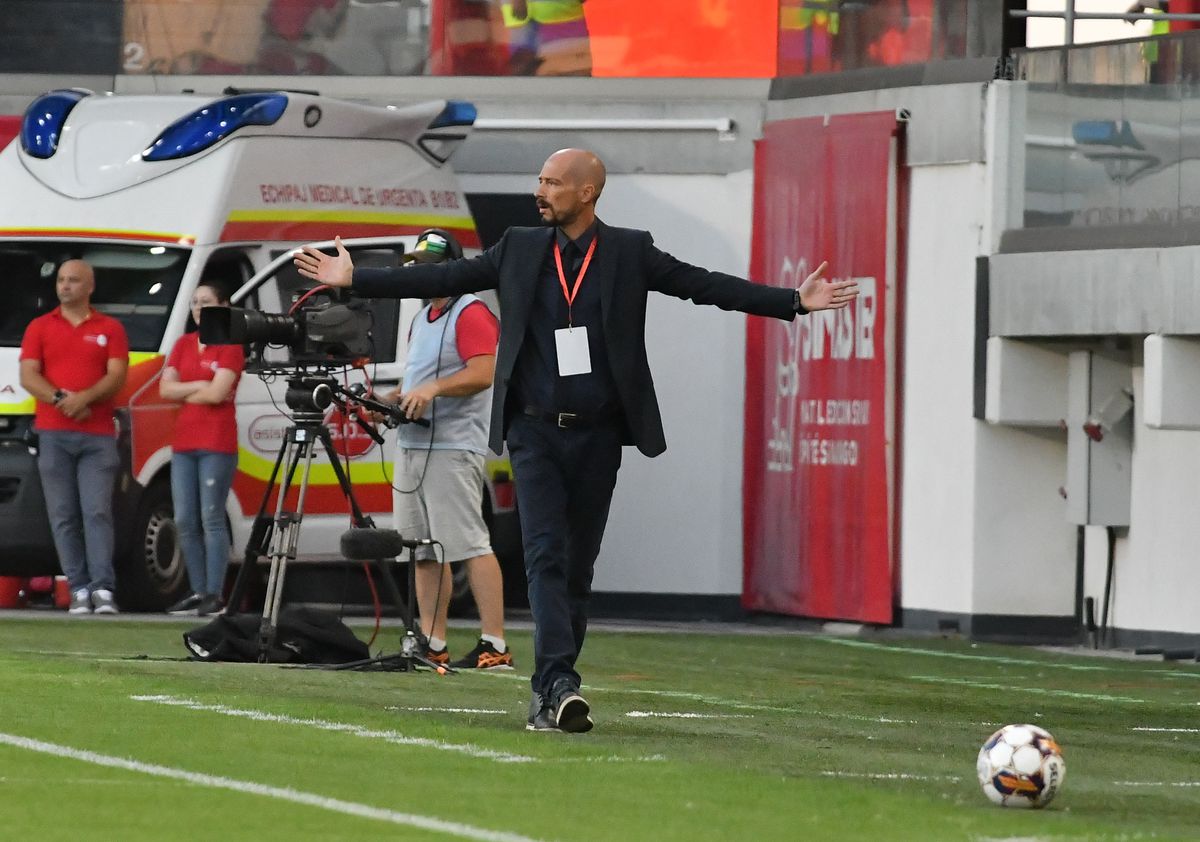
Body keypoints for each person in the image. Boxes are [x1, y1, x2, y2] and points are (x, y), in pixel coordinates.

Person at [295, 148, 858, 733]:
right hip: (533, 431)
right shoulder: (517, 246)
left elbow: (703, 286)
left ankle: (551, 688)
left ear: (588, 192)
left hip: (598, 436)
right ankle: (559, 683)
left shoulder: (628, 251)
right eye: (539, 180)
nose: (541, 191)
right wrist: (355, 276)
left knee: (578, 568)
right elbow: (444, 275)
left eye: (554, 183)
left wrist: (792, 301)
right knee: (544, 556)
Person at [383, 228, 514, 671]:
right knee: (421, 547)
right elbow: (418, 380)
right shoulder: (423, 319)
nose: (420, 277)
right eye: (417, 269)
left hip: (453, 446)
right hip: (416, 443)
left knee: (469, 544)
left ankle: (493, 642)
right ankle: (432, 641)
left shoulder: (471, 312)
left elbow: (483, 373)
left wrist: (433, 389)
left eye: (428, 268)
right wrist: (392, 398)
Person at [19, 259, 129, 615]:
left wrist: (86, 398)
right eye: (62, 280)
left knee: (96, 511)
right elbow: (28, 375)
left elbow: (116, 375)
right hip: (53, 431)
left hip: (96, 435)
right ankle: (78, 587)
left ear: (89, 286)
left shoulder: (110, 328)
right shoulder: (39, 326)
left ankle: (103, 588)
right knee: (63, 514)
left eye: (73, 280)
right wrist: (62, 400)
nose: (65, 286)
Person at [160, 281, 245, 617]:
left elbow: (217, 394)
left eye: (205, 302)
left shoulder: (230, 345)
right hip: (184, 442)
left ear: (222, 305)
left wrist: (188, 389)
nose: (198, 308)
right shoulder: (183, 343)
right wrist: (198, 385)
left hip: (216, 442)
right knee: (184, 519)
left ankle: (215, 592)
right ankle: (198, 591)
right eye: (195, 302)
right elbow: (166, 390)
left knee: (211, 516)